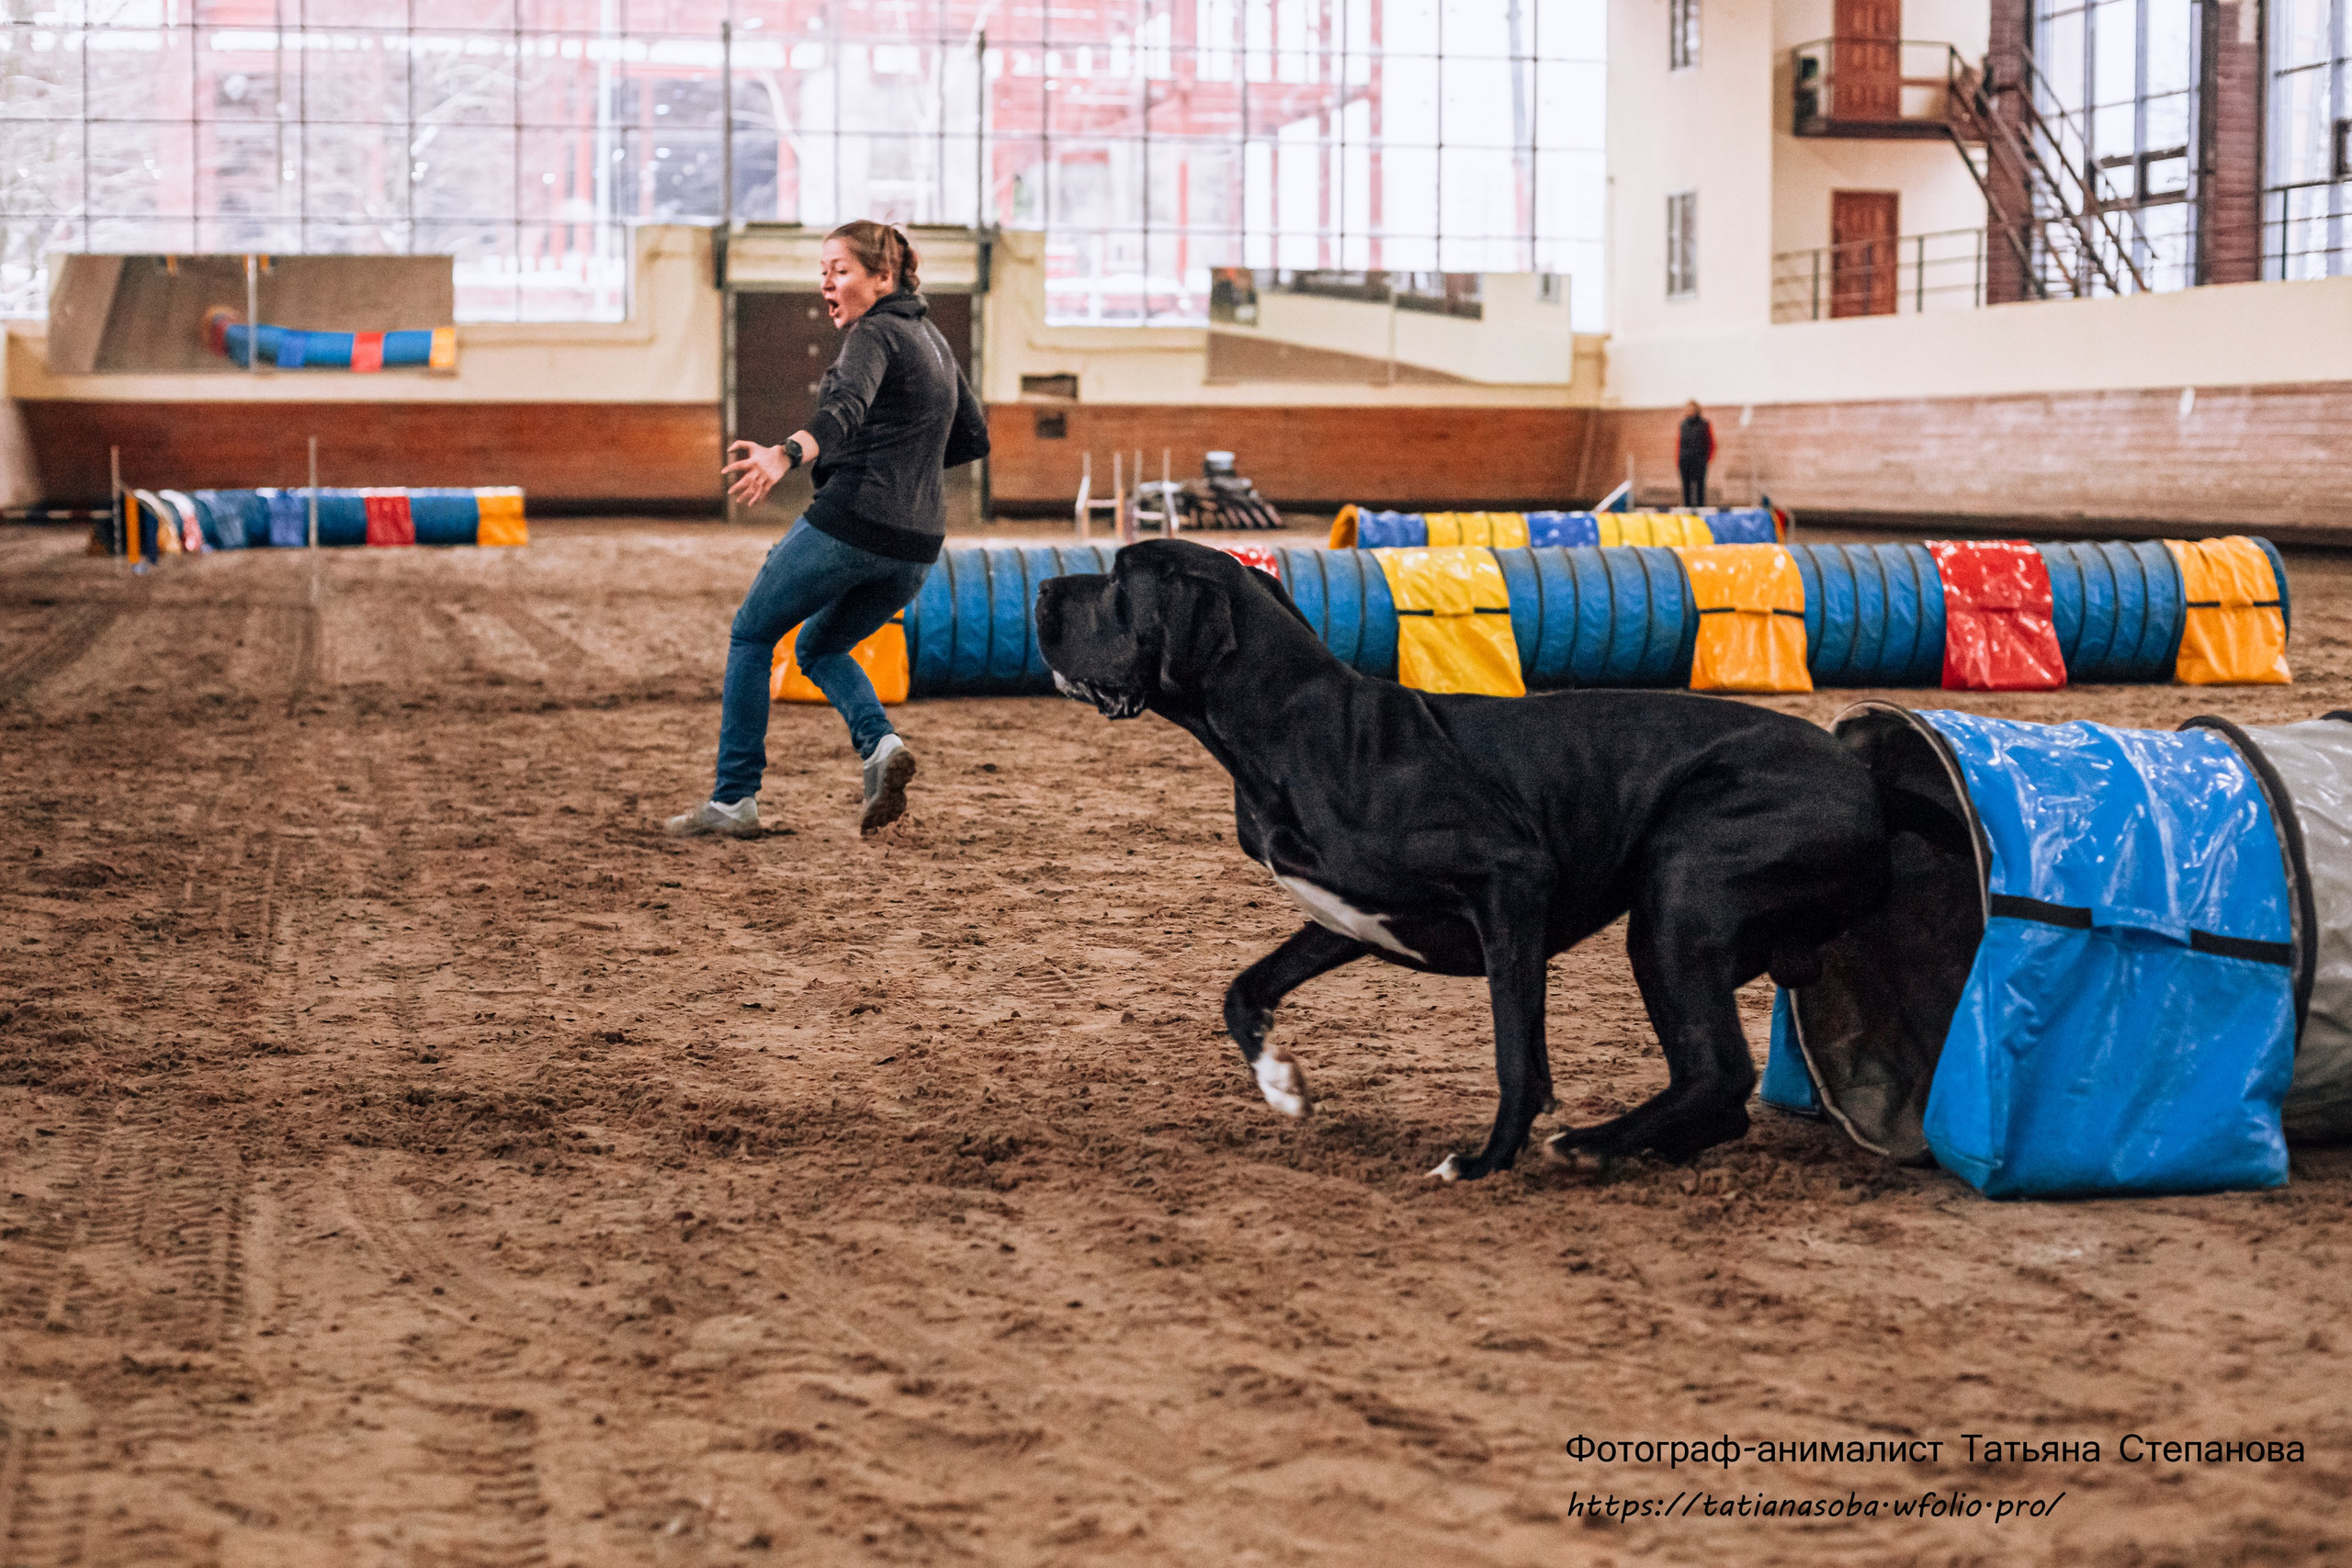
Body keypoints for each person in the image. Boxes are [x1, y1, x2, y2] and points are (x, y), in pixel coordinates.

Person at [669, 220, 988, 840]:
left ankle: (733, 799)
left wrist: (786, 453)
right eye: (823, 273)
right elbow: (974, 436)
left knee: (752, 634)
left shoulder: (873, 333)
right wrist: (906, 470)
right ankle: (881, 746)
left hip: (854, 521)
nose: (826, 284)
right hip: (919, 543)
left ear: (883, 277)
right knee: (818, 647)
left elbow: (843, 411)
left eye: (840, 271)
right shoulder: (933, 338)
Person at [1677, 400, 1715, 508]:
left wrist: (1707, 459)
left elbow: (1711, 443)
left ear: (1697, 410)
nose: (1691, 411)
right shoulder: (1683, 425)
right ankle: (1687, 510)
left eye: (1693, 409)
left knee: (1700, 489)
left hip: (1699, 461)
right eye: (1689, 409)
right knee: (1686, 489)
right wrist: (1678, 460)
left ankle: (1701, 510)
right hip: (1685, 461)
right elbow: (1679, 444)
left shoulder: (1705, 424)